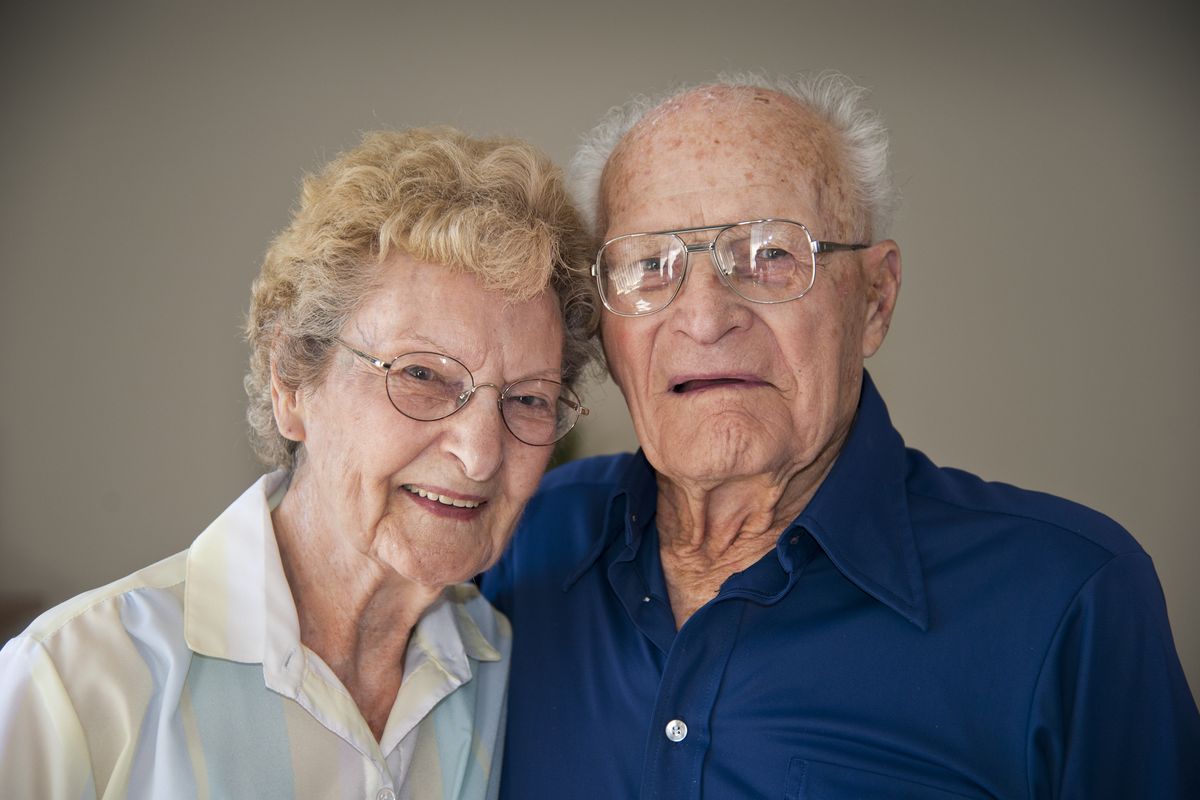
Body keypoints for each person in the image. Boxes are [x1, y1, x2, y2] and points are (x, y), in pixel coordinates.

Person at [481, 73, 1200, 798]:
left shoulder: (1066, 597)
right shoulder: (514, 543)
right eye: (648, 265)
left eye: (768, 255)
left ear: (876, 300)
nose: (703, 318)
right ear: (605, 328)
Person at [0, 127, 597, 798]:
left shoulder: (515, 676)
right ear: (291, 382)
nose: (481, 452)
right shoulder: (78, 683)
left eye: (527, 398)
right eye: (423, 375)